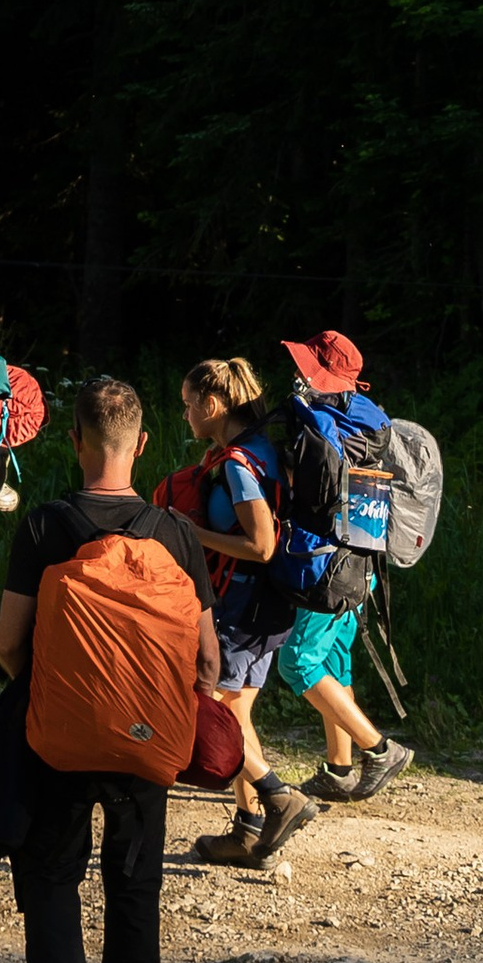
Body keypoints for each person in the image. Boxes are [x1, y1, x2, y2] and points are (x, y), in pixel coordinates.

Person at [0, 374, 220, 963]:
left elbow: (6, 642)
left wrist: (52, 681)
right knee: (134, 875)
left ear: (76, 442)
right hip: (146, 738)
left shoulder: (45, 526)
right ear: (142, 445)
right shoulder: (176, 534)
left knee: (52, 870)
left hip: (59, 731)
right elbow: (210, 659)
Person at [173, 357, 317, 869]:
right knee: (237, 713)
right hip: (270, 604)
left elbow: (260, 544)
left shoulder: (238, 462)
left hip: (242, 607)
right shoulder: (266, 448)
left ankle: (279, 797)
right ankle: (251, 829)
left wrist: (188, 533)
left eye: (190, 404)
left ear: (212, 405)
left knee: (209, 710)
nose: (186, 414)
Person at [272, 331, 416, 805]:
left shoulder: (319, 422)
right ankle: (339, 769)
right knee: (333, 659)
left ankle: (378, 749)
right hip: (362, 563)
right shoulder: (370, 420)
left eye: (306, 369)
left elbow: (303, 489)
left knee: (299, 661)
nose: (297, 377)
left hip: (325, 566)